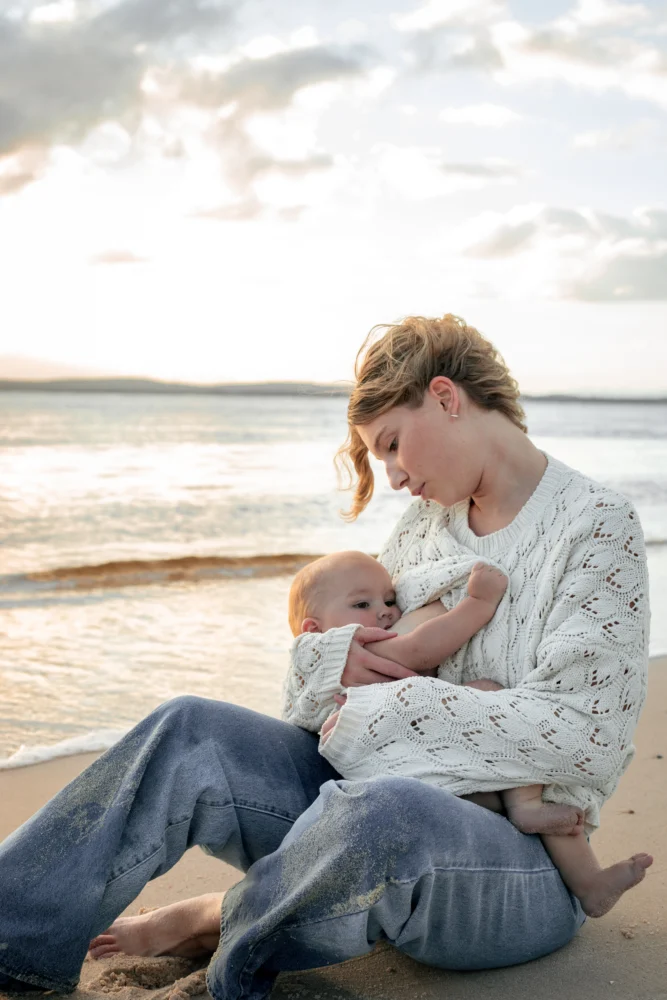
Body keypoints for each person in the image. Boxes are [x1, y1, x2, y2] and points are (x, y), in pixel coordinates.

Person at [0, 313, 651, 999]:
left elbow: (584, 736)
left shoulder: (593, 524)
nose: (395, 477)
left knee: (380, 806)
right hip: (358, 805)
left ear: (446, 397)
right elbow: (318, 712)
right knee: (188, 727)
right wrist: (329, 659)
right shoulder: (426, 528)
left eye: (394, 445)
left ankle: (228, 954)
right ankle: (13, 938)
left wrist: (402, 701)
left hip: (520, 866)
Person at [286, 549, 651, 918]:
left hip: (402, 770)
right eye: (363, 603)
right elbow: (419, 649)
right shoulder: (340, 646)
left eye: (390, 600)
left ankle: (589, 884)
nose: (385, 612)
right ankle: (525, 808)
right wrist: (479, 601)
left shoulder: (348, 639)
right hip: (373, 756)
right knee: (491, 698)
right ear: (314, 629)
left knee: (508, 772)